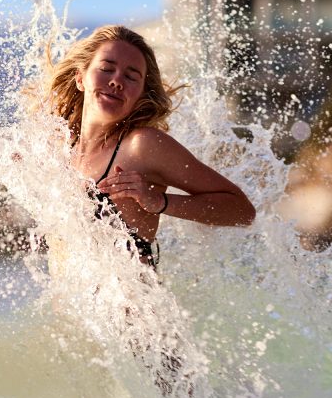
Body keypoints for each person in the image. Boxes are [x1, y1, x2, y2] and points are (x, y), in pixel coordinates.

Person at [47, 25, 255, 266]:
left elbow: (242, 211)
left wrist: (158, 202)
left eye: (131, 76)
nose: (116, 81)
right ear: (80, 78)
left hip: (131, 303)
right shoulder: (58, 148)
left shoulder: (141, 146)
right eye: (106, 69)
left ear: (141, 94)